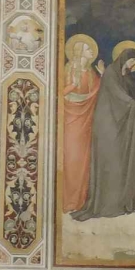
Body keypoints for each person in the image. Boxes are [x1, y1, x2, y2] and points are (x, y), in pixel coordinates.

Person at [74, 43, 135, 221]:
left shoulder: (126, 76)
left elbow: (133, 94)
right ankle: (107, 204)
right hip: (108, 125)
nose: (132, 64)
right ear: (123, 58)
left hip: (121, 125)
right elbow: (119, 95)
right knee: (111, 163)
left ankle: (121, 201)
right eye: (131, 60)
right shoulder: (111, 73)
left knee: (120, 163)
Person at [60, 35, 101, 213]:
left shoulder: (91, 73)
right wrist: (72, 86)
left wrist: (103, 75)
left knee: (83, 160)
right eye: (88, 49)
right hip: (70, 120)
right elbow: (57, 93)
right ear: (79, 52)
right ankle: (67, 200)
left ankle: (79, 201)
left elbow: (98, 91)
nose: (92, 51)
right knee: (71, 158)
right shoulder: (68, 69)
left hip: (86, 120)